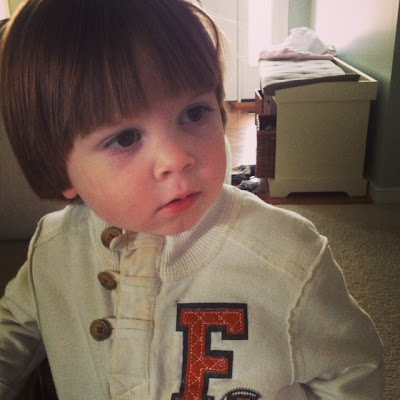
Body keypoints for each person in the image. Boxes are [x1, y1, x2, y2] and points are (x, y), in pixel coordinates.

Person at [0, 0, 384, 399]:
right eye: (125, 138)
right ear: (58, 166)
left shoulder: (288, 255)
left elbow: (353, 369)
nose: (176, 158)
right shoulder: (53, 247)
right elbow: (18, 327)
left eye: (194, 113)